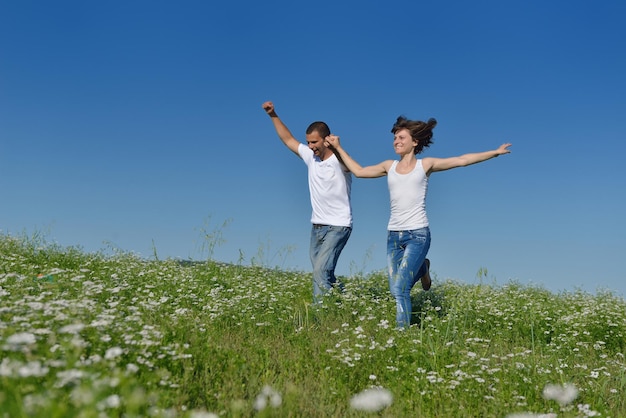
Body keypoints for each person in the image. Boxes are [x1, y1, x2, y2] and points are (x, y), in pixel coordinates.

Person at [325, 116, 511, 328]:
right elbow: (358, 171)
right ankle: (423, 269)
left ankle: (401, 335)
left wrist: (494, 153)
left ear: (415, 142)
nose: (396, 141)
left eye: (401, 137)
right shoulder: (389, 166)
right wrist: (339, 148)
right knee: (395, 286)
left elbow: (462, 160)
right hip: (393, 235)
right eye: (395, 138)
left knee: (400, 288)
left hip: (418, 234)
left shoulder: (426, 165)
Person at [261, 101, 353, 304]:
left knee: (320, 271)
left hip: (339, 226)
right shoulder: (311, 158)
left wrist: (338, 147)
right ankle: (348, 301)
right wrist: (273, 114)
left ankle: (321, 318)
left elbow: (352, 167)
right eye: (308, 143)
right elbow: (287, 139)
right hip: (317, 227)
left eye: (314, 142)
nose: (311, 147)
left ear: (326, 140)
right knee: (324, 274)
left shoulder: (339, 161)